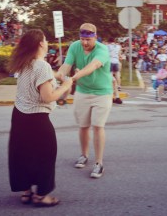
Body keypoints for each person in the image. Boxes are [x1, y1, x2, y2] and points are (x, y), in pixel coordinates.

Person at [7, 29, 73, 208]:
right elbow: (48, 96)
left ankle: (26, 191)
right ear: (40, 44)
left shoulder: (24, 63)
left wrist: (55, 75)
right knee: (45, 155)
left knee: (22, 154)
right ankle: (41, 195)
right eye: (45, 40)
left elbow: (38, 77)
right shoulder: (41, 65)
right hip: (37, 118)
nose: (47, 42)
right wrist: (66, 85)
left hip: (19, 115)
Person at [56, 23, 112, 179]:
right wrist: (61, 75)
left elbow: (92, 66)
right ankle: (84, 155)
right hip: (82, 91)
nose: (85, 43)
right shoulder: (75, 46)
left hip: (102, 92)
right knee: (83, 126)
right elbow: (67, 65)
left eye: (88, 39)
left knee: (98, 126)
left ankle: (98, 163)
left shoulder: (102, 50)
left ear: (95, 37)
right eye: (82, 39)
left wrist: (73, 78)